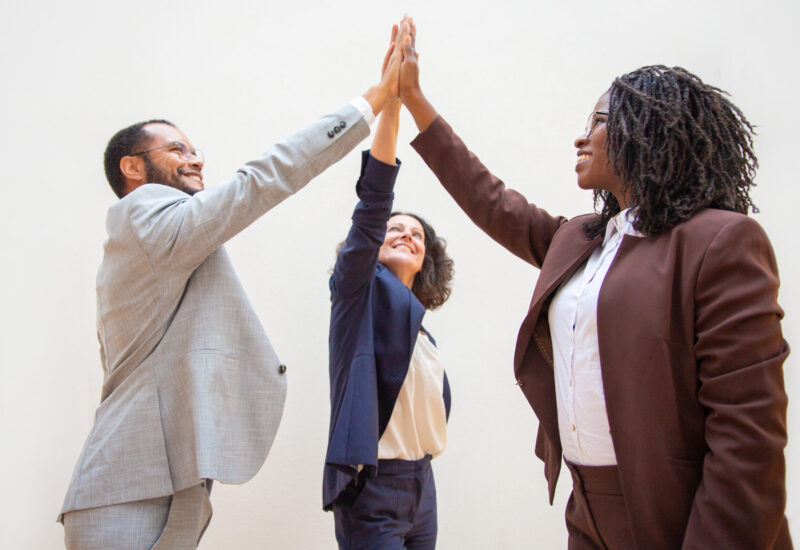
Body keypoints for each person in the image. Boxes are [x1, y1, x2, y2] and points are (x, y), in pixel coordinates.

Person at [397, 27, 791, 550]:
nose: (581, 138)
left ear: (645, 133)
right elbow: (490, 200)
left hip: (678, 510)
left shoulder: (719, 240)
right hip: (586, 511)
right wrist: (416, 102)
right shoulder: (581, 239)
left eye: (597, 123)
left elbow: (748, 441)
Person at [58, 20, 412, 549]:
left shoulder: (157, 245)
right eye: (177, 150)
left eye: (195, 149)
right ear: (133, 167)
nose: (196, 158)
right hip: (125, 491)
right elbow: (259, 181)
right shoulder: (143, 213)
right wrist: (374, 100)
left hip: (174, 485)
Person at [323, 86, 455, 548]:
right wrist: (394, 104)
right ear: (372, 248)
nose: (406, 235)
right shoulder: (354, 300)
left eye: (416, 233)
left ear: (426, 260)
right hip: (373, 491)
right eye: (394, 229)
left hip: (422, 487)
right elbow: (373, 203)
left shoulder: (424, 337)